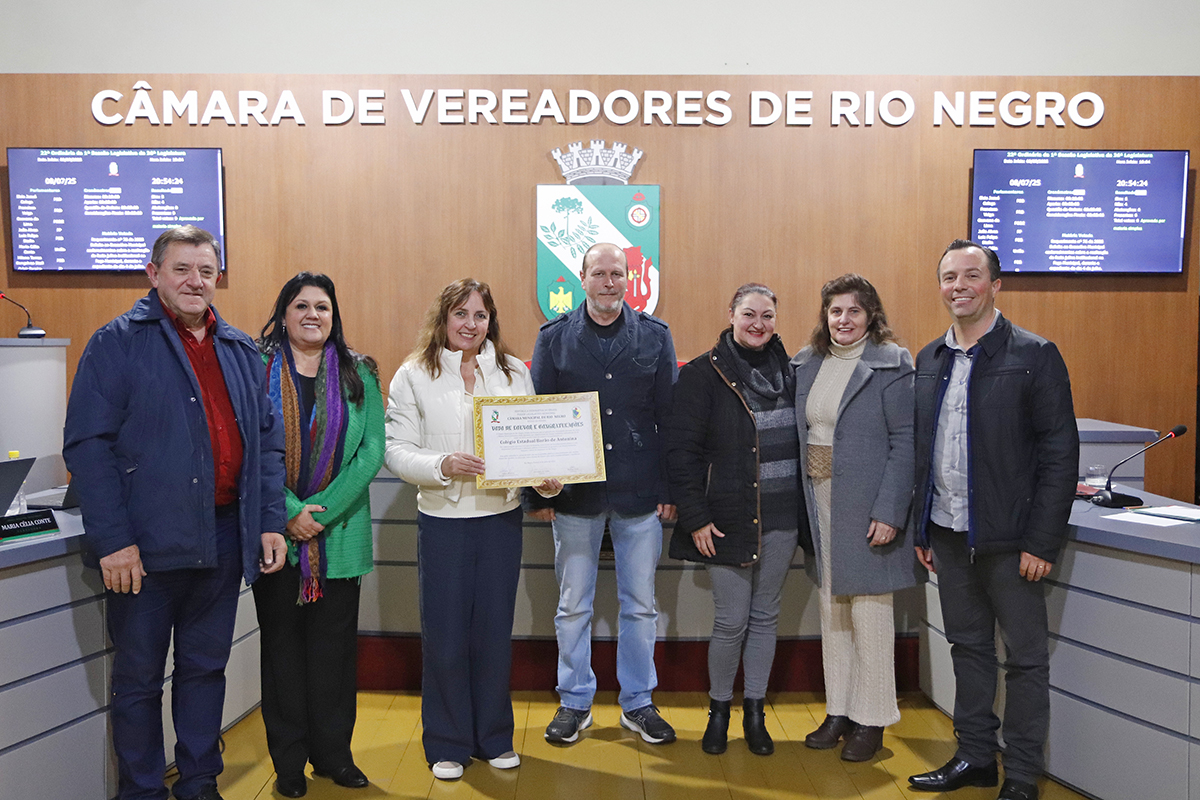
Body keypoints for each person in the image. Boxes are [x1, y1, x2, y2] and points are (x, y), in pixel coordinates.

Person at [63, 225, 288, 800]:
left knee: (204, 671)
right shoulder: (115, 343)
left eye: (205, 271)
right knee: (138, 681)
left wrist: (267, 520)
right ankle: (142, 791)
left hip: (220, 540)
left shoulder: (239, 350)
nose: (195, 281)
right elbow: (89, 446)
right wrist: (113, 540)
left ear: (218, 277)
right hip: (143, 546)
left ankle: (198, 785)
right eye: (182, 269)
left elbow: (266, 446)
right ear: (154, 274)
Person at [907, 241, 1078, 800]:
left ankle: (1023, 776)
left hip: (1011, 543)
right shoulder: (929, 357)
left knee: (1025, 661)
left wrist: (1042, 540)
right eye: (948, 276)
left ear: (995, 285)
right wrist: (921, 529)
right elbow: (920, 450)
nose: (959, 285)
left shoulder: (1035, 354)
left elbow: (1059, 455)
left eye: (971, 275)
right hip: (948, 534)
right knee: (969, 648)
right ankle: (976, 756)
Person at [385, 278, 560, 781]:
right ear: (443, 319)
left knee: (492, 634)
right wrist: (443, 464)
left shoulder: (512, 371)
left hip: (499, 522)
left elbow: (532, 444)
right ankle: (447, 742)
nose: (470, 325)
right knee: (445, 636)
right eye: (461, 314)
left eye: (480, 316)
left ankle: (493, 738)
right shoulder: (413, 374)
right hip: (444, 522)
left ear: (491, 322)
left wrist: (546, 483)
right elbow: (397, 451)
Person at [525, 242, 679, 746]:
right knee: (573, 605)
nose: (609, 282)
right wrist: (539, 495)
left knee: (640, 605)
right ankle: (574, 701)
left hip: (639, 496)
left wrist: (669, 488)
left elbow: (668, 419)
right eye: (599, 273)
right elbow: (540, 416)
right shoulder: (553, 340)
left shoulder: (656, 337)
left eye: (618, 273)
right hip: (573, 497)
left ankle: (638, 702)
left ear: (628, 279)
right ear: (582, 278)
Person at [252, 273, 385, 798]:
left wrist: (319, 515)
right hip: (276, 539)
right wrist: (289, 512)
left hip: (340, 537)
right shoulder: (256, 370)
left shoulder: (361, 373)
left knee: (333, 654)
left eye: (323, 307)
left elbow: (371, 450)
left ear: (335, 315)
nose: (313, 315)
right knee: (282, 652)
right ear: (283, 313)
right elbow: (248, 446)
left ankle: (334, 756)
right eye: (301, 305)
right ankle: (287, 763)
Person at [665, 283, 808, 756]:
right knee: (731, 622)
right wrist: (696, 518)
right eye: (749, 314)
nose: (758, 324)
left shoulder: (794, 373)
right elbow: (681, 455)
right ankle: (719, 710)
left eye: (767, 316)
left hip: (783, 517)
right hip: (725, 518)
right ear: (731, 314)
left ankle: (754, 711)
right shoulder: (703, 375)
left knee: (766, 618)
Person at [792, 274, 919, 762]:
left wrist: (891, 512)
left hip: (867, 508)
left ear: (871, 316)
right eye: (835, 311)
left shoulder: (891, 363)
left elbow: (905, 442)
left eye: (854, 311)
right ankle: (839, 710)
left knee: (870, 614)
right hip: (819, 503)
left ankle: (873, 719)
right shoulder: (806, 363)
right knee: (833, 612)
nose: (843, 320)